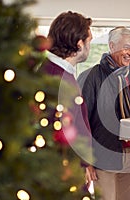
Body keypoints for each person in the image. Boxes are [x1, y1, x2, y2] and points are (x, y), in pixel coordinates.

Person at [77, 26, 130, 200]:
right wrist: (85, 162)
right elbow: (81, 121)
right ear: (111, 46)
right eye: (126, 47)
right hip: (103, 156)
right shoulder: (91, 77)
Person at [38, 11, 93, 181]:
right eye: (89, 41)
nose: (89, 47)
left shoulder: (58, 72)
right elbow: (58, 132)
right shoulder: (58, 79)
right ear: (79, 44)